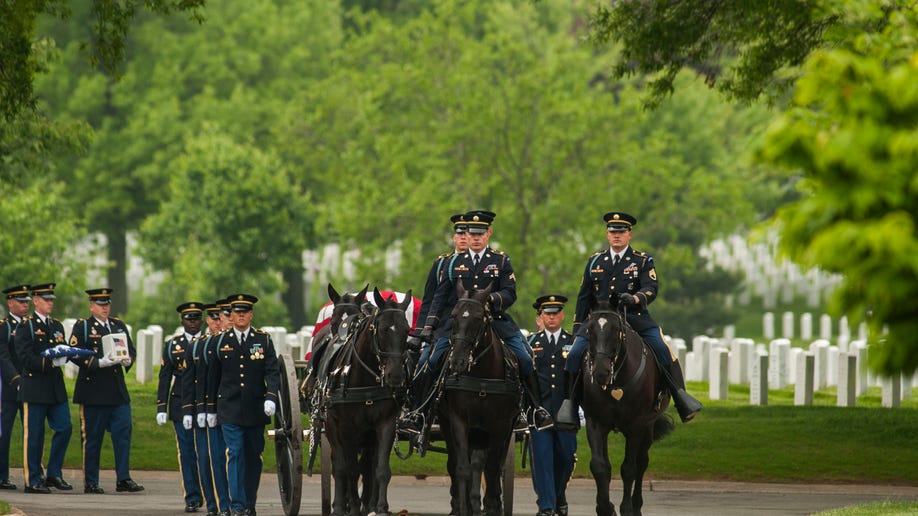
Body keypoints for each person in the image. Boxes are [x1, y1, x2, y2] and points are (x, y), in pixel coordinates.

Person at [403, 209, 553, 434]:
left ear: (488, 234)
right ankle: (419, 413)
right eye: (472, 233)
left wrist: (492, 299)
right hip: (459, 325)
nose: (474, 237)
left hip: (495, 321)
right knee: (431, 362)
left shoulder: (500, 260)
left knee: (524, 358)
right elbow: (439, 297)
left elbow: (510, 293)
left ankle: (533, 410)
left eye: (480, 234)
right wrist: (428, 327)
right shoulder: (454, 262)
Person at [558, 211, 702, 426]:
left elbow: (651, 288)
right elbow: (583, 298)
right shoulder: (595, 261)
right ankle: (570, 404)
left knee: (663, 349)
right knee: (574, 355)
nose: (617, 235)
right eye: (613, 231)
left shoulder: (642, 261)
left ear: (629, 234)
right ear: (607, 234)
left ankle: (680, 397)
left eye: (621, 232)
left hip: (635, 317)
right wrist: (579, 329)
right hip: (599, 322)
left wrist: (635, 298)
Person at [206, 294, 279, 516]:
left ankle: (249, 503)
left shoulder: (263, 340)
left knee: (253, 455)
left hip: (255, 408)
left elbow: (272, 371)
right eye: (237, 312)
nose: (241, 315)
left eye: (245, 312)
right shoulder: (221, 341)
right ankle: (237, 505)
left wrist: (271, 396)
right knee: (235, 453)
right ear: (232, 314)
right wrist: (210, 408)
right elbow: (213, 378)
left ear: (251, 315)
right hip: (229, 408)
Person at [69, 288, 144, 494]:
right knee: (93, 439)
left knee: (123, 434)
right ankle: (91, 481)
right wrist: (98, 363)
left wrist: (128, 359)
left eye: (107, 304)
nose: (104, 308)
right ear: (91, 306)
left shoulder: (117, 325)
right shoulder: (83, 326)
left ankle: (124, 478)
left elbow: (131, 349)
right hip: (93, 391)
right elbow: (74, 353)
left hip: (116, 391)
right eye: (100, 305)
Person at [13, 283, 73, 494]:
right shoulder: (26, 326)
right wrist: (49, 363)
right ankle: (33, 480)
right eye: (46, 299)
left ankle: (54, 473)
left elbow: (62, 346)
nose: (50, 303)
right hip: (35, 387)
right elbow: (25, 357)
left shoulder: (57, 325)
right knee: (35, 435)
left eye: (52, 299)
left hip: (55, 387)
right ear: (36, 301)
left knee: (65, 427)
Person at [528, 295, 577, 516]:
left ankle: (559, 495)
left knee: (566, 457)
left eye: (555, 313)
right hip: (540, 412)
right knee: (542, 459)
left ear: (562, 315)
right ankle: (546, 506)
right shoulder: (531, 343)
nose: (551, 317)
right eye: (547, 314)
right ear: (540, 317)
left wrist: (580, 407)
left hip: (566, 412)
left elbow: (580, 378)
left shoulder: (573, 343)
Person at [157, 301, 205, 513]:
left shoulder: (208, 342)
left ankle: (210, 495)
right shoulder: (173, 345)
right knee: (186, 452)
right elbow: (164, 377)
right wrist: (161, 406)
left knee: (205, 452)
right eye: (188, 318)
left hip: (204, 403)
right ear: (182, 320)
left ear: (201, 320)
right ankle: (192, 497)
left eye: (196, 318)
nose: (192, 322)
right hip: (179, 403)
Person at [187, 298, 231, 516]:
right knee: (206, 457)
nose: (218, 322)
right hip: (208, 409)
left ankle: (228, 502)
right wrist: (197, 409)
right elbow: (196, 380)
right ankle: (213, 502)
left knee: (225, 458)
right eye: (215, 317)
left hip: (227, 408)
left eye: (221, 317)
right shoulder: (202, 345)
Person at [0, 285, 30, 490]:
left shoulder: (31, 325)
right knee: (5, 432)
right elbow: (3, 356)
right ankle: (2, 475)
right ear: (10, 303)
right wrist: (16, 379)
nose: (25, 304)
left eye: (27, 301)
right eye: (21, 301)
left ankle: (34, 474)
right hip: (11, 388)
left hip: (31, 385)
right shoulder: (5, 326)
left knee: (32, 432)